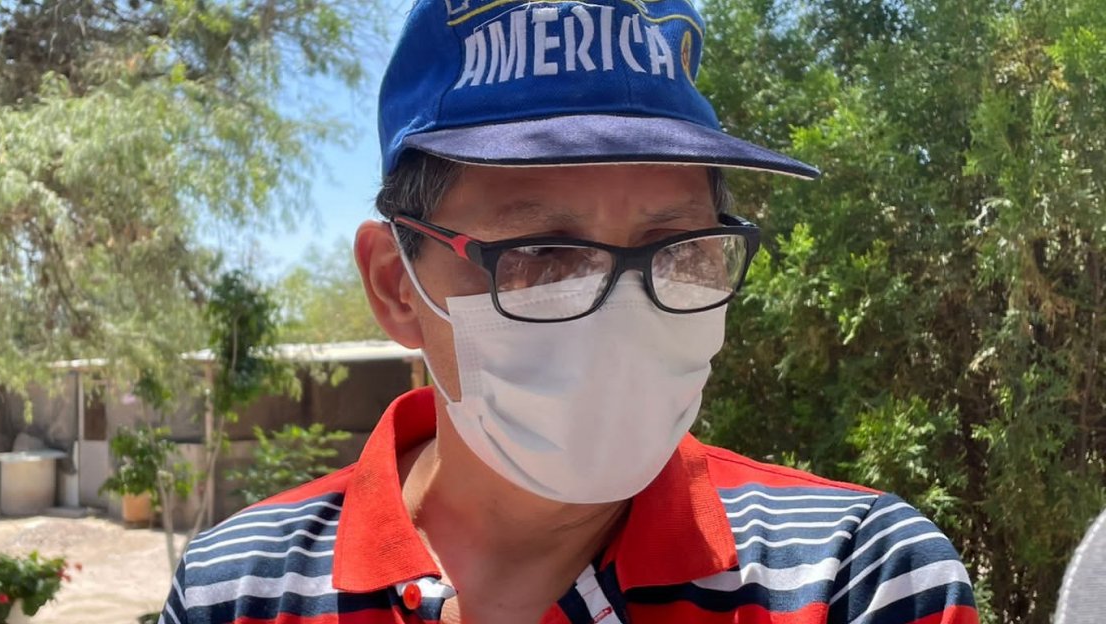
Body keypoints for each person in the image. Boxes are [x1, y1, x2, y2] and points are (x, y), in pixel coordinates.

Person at [160, 1, 979, 622]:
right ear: (396, 285)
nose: (625, 314)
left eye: (679, 247)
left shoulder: (855, 578)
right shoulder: (237, 592)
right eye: (544, 253)